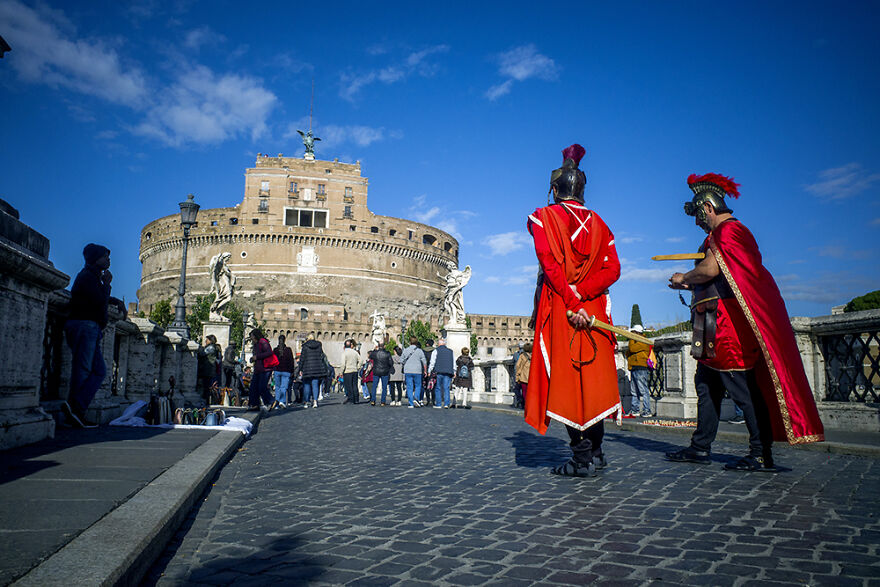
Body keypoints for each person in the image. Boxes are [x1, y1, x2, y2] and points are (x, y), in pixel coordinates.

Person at [665, 172, 824, 470]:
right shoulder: (717, 237)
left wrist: (685, 276)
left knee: (741, 387)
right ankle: (700, 447)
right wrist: (690, 285)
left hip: (727, 327)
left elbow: (711, 270)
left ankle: (760, 452)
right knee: (706, 385)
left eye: (700, 216)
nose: (698, 222)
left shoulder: (729, 233)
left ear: (708, 208)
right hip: (711, 322)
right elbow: (722, 278)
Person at [525, 144, 622, 478]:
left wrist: (571, 298)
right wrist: (584, 295)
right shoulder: (602, 225)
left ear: (555, 189)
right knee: (592, 378)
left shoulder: (543, 217)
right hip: (594, 309)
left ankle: (581, 458)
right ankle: (596, 451)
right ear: (582, 189)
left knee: (567, 381)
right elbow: (613, 271)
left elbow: (550, 265)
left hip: (561, 308)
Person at [63, 243, 113, 428]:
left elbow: (100, 298)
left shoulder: (92, 277)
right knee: (83, 369)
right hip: (84, 326)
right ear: (95, 258)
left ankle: (76, 408)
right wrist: (107, 285)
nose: (108, 260)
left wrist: (117, 302)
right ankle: (75, 410)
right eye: (105, 256)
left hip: (90, 327)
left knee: (99, 371)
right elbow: (99, 300)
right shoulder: (87, 277)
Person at [626, 325, 652, 418]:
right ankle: (635, 410)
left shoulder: (642, 341)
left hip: (641, 367)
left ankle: (647, 410)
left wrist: (632, 339)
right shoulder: (636, 342)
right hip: (634, 367)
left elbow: (632, 349)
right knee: (634, 391)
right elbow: (628, 353)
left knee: (643, 390)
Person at [296, 334, 327, 408]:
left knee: (306, 385)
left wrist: (300, 369)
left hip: (307, 369)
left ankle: (306, 402)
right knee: (315, 385)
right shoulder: (319, 345)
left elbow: (302, 359)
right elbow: (322, 356)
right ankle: (315, 401)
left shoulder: (305, 346)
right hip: (317, 369)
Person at [248, 329, 275, 411]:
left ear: (255, 335)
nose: (251, 338)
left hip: (265, 368)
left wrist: (257, 357)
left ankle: (271, 401)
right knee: (253, 387)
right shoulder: (256, 344)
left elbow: (269, 352)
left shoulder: (263, 342)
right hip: (258, 368)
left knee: (261, 387)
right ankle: (254, 404)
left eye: (252, 336)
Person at [428, 338, 455, 408]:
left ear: (439, 344)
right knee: (446, 388)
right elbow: (453, 362)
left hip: (439, 371)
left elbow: (432, 362)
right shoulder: (451, 351)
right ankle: (446, 403)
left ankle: (439, 404)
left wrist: (429, 371)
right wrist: (454, 371)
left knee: (438, 388)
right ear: (445, 343)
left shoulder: (436, 351)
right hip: (448, 372)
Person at [400, 337, 427, 408]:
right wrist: (425, 371)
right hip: (417, 370)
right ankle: (416, 397)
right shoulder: (419, 351)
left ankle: (411, 403)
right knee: (418, 385)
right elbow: (424, 362)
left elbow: (401, 360)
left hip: (408, 370)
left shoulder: (406, 350)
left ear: (410, 342)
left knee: (409, 387)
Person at [273, 334, 295, 409]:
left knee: (277, 387)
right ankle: (282, 401)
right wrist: (292, 371)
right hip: (286, 371)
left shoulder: (275, 350)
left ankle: (277, 403)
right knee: (283, 387)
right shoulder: (288, 350)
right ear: (285, 340)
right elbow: (291, 361)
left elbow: (272, 361)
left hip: (277, 370)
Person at [341, 339, 360, 404]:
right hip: (354, 370)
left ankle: (351, 399)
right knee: (354, 385)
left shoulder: (344, 353)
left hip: (347, 371)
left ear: (344, 346)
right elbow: (361, 360)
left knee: (349, 386)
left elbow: (343, 364)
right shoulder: (355, 352)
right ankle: (356, 399)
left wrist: (341, 372)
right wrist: (357, 367)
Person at [515, 342, 532, 411]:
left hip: (524, 377)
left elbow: (518, 365)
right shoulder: (534, 355)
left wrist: (517, 375)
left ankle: (525, 405)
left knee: (524, 391)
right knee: (530, 392)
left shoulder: (522, 356)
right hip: (532, 377)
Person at [422, 338, 436, 407]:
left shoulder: (423, 351)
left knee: (427, 386)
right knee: (433, 386)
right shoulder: (435, 351)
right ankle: (433, 401)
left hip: (425, 369)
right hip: (433, 370)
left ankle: (428, 400)